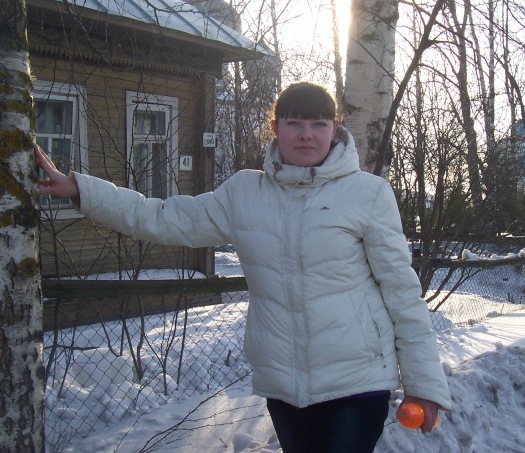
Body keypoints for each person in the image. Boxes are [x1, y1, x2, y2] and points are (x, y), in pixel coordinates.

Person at [36, 82, 452, 452]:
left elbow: (401, 293)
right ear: (276, 128)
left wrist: (423, 384)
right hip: (283, 384)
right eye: (294, 123)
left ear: (335, 129)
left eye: (319, 124)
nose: (306, 134)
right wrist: (82, 191)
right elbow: (162, 217)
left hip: (357, 381)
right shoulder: (244, 193)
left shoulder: (368, 194)